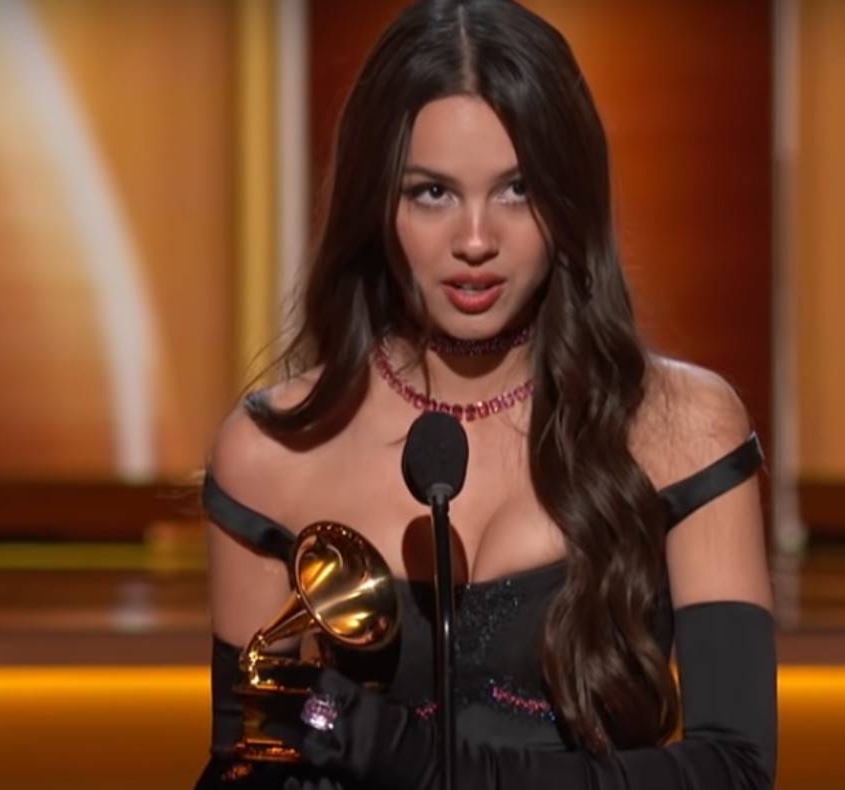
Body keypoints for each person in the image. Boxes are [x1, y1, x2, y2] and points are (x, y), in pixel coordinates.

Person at [195, 1, 775, 787]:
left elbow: (735, 770)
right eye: (432, 193)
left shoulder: (683, 429)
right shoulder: (270, 453)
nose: (475, 240)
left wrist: (412, 758)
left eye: (517, 190)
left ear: (569, 201)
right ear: (376, 202)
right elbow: (246, 763)